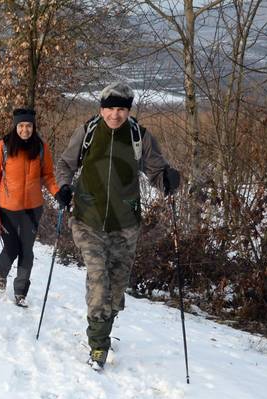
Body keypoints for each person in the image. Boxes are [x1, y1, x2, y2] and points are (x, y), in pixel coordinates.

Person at [55, 81, 180, 369]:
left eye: (121, 109)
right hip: (88, 219)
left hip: (126, 224)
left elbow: (158, 172)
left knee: (116, 287)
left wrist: (170, 180)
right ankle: (98, 345)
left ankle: (104, 323)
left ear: (128, 110)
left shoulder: (140, 136)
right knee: (99, 278)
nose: (115, 114)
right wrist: (63, 187)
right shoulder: (87, 132)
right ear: (101, 109)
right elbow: (65, 164)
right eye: (110, 108)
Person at [0, 108, 59, 307]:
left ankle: (20, 291)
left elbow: (48, 176)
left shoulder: (41, 147)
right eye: (21, 125)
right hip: (7, 207)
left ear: (33, 127)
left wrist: (58, 193)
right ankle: (1, 273)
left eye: (28, 126)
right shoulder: (4, 147)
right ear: (15, 126)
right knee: (12, 247)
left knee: (27, 250)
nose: (25, 130)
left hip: (33, 208)